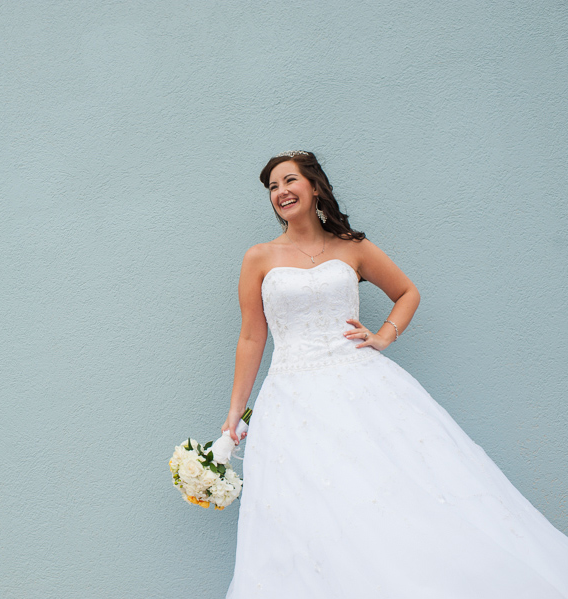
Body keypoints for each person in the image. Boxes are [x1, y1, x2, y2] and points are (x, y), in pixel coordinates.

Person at [221, 151, 568, 598]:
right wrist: (235, 414)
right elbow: (252, 338)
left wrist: (385, 334)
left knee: (390, 500)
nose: (281, 192)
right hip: (291, 400)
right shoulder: (259, 258)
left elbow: (406, 292)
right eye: (272, 187)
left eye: (289, 181)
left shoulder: (352, 247)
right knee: (312, 516)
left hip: (362, 388)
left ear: (313, 187)